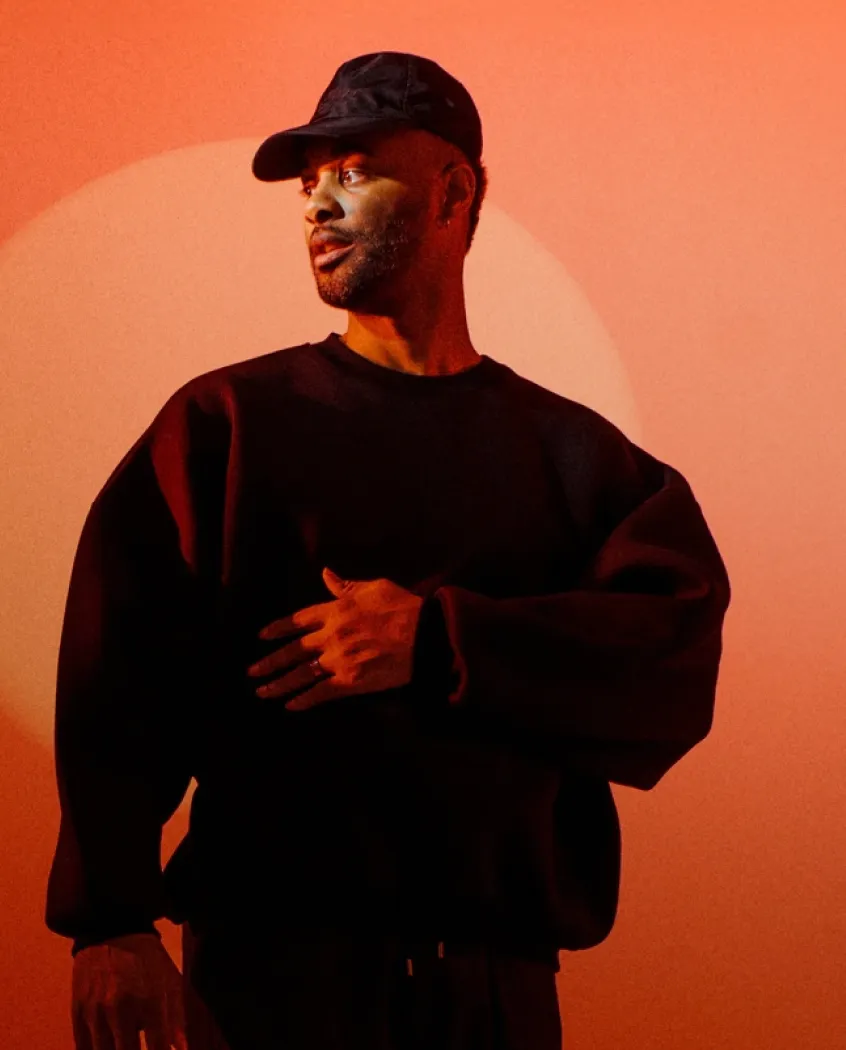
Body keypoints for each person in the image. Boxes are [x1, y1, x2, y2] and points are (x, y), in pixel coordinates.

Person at [45, 50, 732, 1050]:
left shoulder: (582, 463)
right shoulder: (226, 427)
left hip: (494, 996)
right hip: (267, 988)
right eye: (308, 184)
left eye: (354, 171)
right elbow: (116, 684)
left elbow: (669, 668)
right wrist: (108, 923)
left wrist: (438, 643)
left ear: (453, 191)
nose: (318, 206)